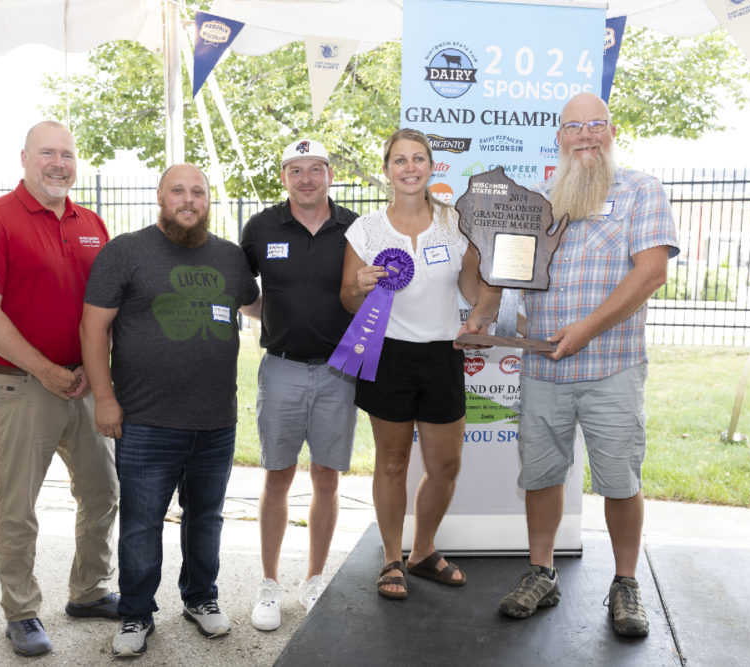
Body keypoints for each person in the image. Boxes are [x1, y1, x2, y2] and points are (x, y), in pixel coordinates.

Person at [496, 92, 679, 637]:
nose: (586, 135)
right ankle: (541, 572)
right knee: (541, 475)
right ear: (560, 138)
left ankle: (625, 584)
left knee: (620, 480)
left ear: (612, 131)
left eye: (595, 124)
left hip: (612, 367)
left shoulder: (641, 190)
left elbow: (650, 274)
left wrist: (585, 331)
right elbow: (512, 285)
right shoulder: (539, 204)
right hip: (544, 370)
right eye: (574, 127)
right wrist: (492, 324)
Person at [80, 163, 260, 658]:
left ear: (207, 201)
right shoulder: (125, 252)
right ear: (160, 196)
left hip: (216, 422)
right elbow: (93, 329)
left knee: (206, 518)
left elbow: (257, 306)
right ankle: (136, 613)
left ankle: (201, 600)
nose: (189, 199)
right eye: (177, 190)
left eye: (197, 192)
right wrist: (106, 399)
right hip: (145, 420)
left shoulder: (229, 257)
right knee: (141, 522)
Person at [0, 120, 120, 657]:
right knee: (17, 505)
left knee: (101, 493)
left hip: (87, 384)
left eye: (68, 154)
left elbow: (112, 307)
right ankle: (22, 612)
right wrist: (47, 369)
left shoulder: (92, 222)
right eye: (47, 153)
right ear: (24, 158)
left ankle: (89, 592)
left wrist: (102, 377)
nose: (59, 163)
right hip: (21, 388)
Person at [340, 128, 501, 600]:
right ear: (387, 169)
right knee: (391, 461)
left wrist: (487, 306)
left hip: (442, 354)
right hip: (387, 353)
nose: (409, 167)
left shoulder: (456, 223)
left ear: (431, 167)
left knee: (446, 464)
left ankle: (423, 550)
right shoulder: (365, 229)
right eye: (399, 160)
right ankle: (392, 557)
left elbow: (475, 291)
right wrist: (360, 286)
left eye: (418, 159)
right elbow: (348, 300)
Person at [240, 139, 358, 631]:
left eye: (315, 169)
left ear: (330, 173)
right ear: (283, 176)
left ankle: (313, 579)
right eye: (295, 170)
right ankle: (269, 585)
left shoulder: (355, 228)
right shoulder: (262, 227)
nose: (306, 179)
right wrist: (276, 318)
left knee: (327, 479)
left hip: (339, 372)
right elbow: (244, 293)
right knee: (277, 477)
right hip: (282, 367)